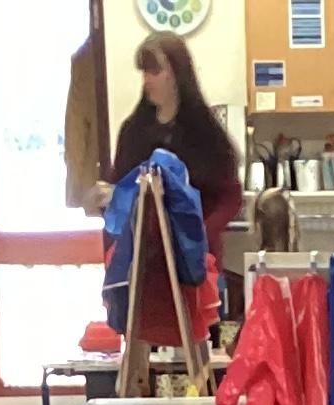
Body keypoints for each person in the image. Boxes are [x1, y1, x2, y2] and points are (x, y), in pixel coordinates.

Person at [93, 36, 240, 354]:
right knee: (146, 351)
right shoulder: (133, 131)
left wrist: (200, 234)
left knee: (198, 352)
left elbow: (230, 197)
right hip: (145, 265)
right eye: (144, 72)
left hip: (195, 264)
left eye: (154, 71)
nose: (147, 80)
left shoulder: (206, 134)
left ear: (176, 72)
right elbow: (120, 191)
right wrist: (107, 199)